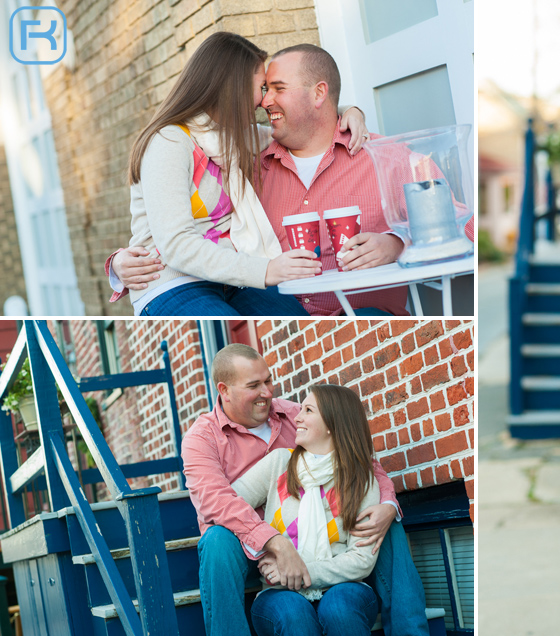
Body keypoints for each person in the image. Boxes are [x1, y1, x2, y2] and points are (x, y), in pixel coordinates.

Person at [112, 43, 476, 316]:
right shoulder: (249, 162)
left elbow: (466, 229)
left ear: (319, 93)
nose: (265, 101)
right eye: (262, 88)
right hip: (208, 286)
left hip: (347, 315)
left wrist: (397, 243)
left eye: (277, 88)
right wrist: (117, 264)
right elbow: (169, 232)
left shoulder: (387, 158)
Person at [110, 32, 368, 316]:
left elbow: (302, 124)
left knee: (295, 320)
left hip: (231, 277)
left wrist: (350, 111)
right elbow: (177, 245)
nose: (264, 100)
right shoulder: (169, 142)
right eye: (261, 87)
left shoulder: (232, 137)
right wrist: (267, 269)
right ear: (234, 86)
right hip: (171, 279)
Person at [182, 344, 428, 636]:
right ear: (225, 390)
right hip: (245, 544)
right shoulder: (202, 437)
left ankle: (409, 630)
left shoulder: (293, 415)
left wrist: (388, 504)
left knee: (383, 522)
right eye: (254, 385)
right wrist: (274, 542)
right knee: (216, 540)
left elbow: (360, 459)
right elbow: (216, 502)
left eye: (268, 380)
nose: (268, 392)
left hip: (321, 543)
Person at [231, 383, 382, 636]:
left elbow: (361, 559)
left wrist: (297, 571)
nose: (297, 418)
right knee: (294, 616)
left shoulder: (361, 481)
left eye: (308, 410)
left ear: (333, 424)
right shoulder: (279, 464)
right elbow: (228, 505)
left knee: (339, 609)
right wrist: (264, 546)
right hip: (277, 592)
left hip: (346, 587)